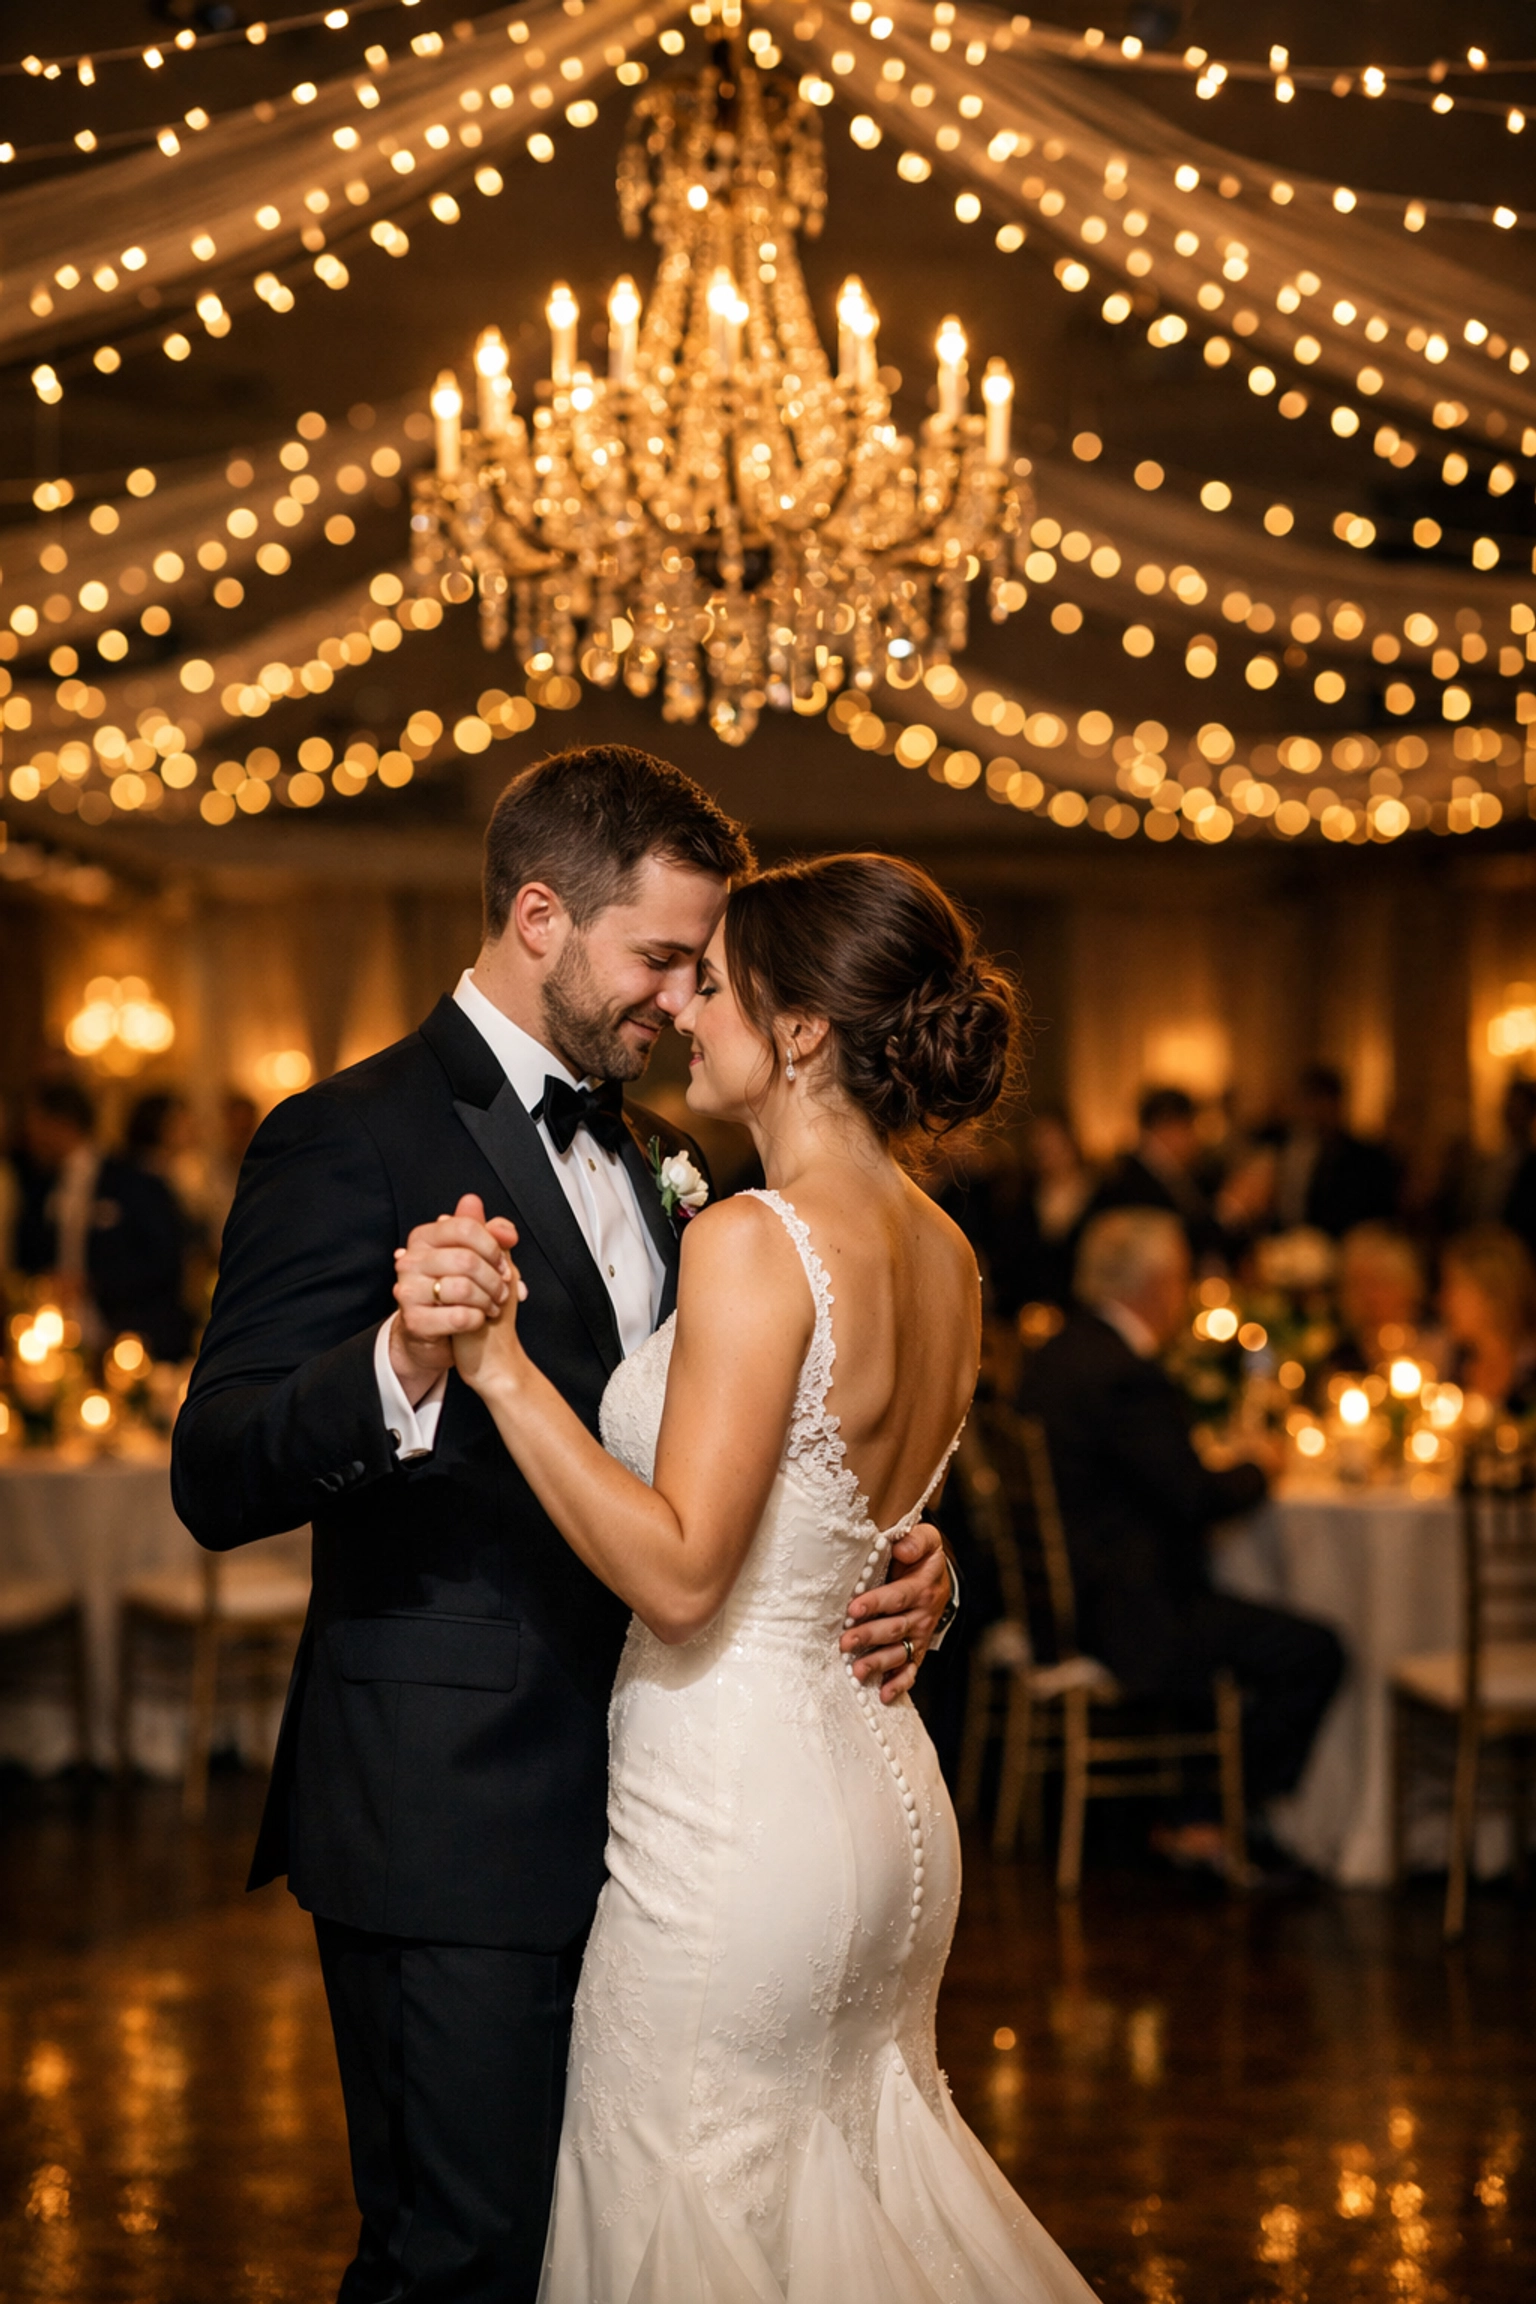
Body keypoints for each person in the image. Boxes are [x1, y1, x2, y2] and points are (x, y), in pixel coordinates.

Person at [171, 749, 955, 2304]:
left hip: (679, 1817)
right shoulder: (350, 1133)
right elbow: (218, 1467)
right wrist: (398, 1365)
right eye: (661, 959)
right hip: (454, 1816)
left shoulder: (693, 1164)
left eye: (701, 969)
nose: (680, 1001)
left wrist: (894, 1548)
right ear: (541, 916)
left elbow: (757, 1450)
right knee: (460, 2259)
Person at [438, 851, 1096, 2302]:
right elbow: (857, 1514)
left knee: (691, 2198)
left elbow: (681, 1583)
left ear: (802, 1030)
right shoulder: (947, 1254)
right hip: (888, 1802)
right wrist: (931, 1569)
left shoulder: (752, 1240)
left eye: (717, 986)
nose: (684, 1013)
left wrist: (499, 1373)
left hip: (731, 1822)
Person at [1018, 1207, 1345, 1873]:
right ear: (1162, 1282)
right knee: (1316, 1651)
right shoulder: (1123, 1373)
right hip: (1132, 1619)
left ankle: (1201, 1808)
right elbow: (1194, 1497)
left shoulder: (1061, 1352)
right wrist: (1263, 1468)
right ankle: (1206, 1817)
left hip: (1066, 1599)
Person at [13, 1078, 190, 1360]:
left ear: (61, 1123)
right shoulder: (40, 1186)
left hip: (131, 1338)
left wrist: (92, 1282)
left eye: (36, 1124)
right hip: (62, 1342)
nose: (29, 1135)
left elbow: (165, 1262)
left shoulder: (133, 1181)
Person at [1085, 1084, 1227, 1266]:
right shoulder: (1128, 1181)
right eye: (1191, 1128)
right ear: (1168, 1126)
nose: (1196, 1139)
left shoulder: (1178, 1172)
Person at [1273, 1063, 1400, 1238]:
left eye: (1320, 1102)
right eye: (1307, 1103)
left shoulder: (1367, 1158)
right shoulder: (1288, 1150)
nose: (1312, 1113)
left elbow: (1377, 1215)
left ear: (1336, 1103)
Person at [1440, 1224, 1536, 1416]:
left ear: (1492, 1294)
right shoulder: (1457, 1365)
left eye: (1454, 1287)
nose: (1443, 1300)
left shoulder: (1529, 1370)